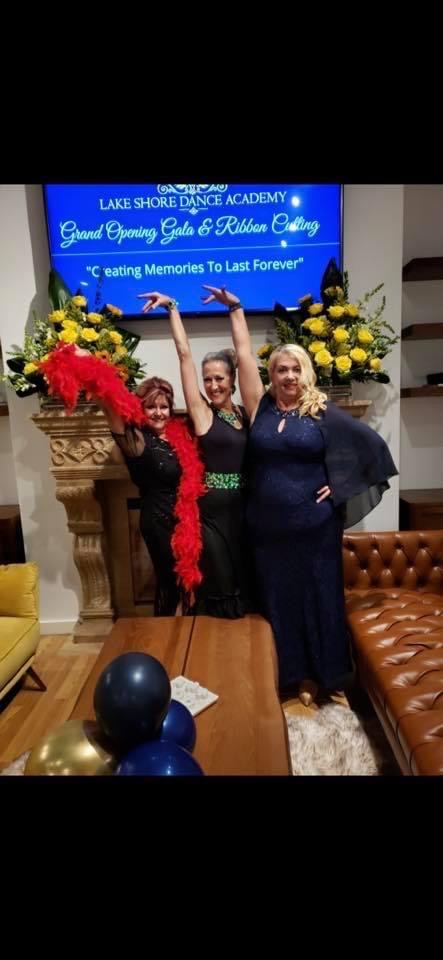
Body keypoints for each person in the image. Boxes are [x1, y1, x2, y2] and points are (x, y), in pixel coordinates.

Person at [201, 285, 399, 705]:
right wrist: (236, 308)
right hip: (266, 532)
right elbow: (243, 353)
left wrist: (340, 485)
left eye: (295, 369)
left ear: (305, 372)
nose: (288, 376)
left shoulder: (320, 411)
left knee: (320, 599)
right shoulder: (260, 406)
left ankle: (328, 677)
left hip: (313, 530)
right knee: (278, 602)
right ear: (271, 376)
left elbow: (371, 447)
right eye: (280, 370)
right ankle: (293, 677)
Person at [138, 291, 253, 618]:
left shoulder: (245, 413)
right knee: (222, 589)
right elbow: (185, 354)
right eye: (207, 380)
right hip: (212, 513)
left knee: (244, 585)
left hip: (245, 510)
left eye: (219, 378)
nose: (213, 385)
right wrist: (172, 307)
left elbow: (245, 354)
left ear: (232, 380)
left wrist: (236, 307)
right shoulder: (203, 413)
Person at [66, 350, 206, 616]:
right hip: (158, 520)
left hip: (185, 521)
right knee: (169, 583)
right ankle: (165, 633)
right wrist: (90, 362)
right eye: (151, 407)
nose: (159, 413)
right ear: (141, 409)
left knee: (187, 586)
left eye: (164, 407)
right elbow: (109, 403)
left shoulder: (178, 436)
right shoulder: (137, 441)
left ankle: (185, 632)